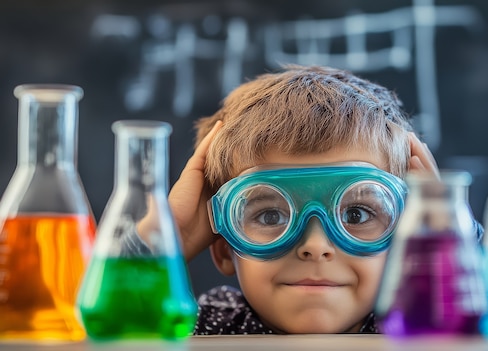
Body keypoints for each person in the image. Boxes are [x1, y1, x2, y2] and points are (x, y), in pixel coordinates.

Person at [168, 65, 443, 335]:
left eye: (356, 215)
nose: (315, 246)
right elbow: (126, 324)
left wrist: (445, 234)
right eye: (271, 216)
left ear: (404, 239)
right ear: (225, 248)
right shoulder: (204, 325)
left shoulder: (423, 325)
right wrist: (169, 238)